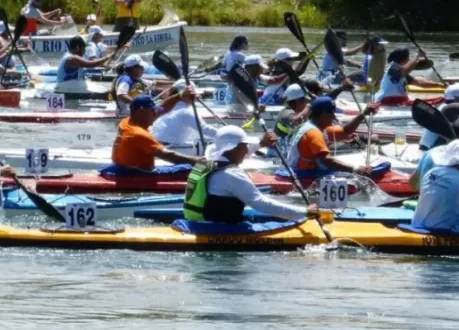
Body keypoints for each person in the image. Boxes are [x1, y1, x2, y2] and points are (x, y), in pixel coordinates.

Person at [183, 125, 329, 224]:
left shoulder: (207, 160)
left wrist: (262, 142)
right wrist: (303, 212)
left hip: (197, 221)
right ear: (233, 148)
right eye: (244, 146)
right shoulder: (232, 175)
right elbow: (261, 203)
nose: (247, 150)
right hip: (218, 228)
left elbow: (239, 154)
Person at [110, 94, 204, 171]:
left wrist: (180, 95)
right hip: (140, 173)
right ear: (142, 111)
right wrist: (198, 160)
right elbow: (168, 155)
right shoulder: (139, 134)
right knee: (192, 169)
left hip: (121, 168)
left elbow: (163, 109)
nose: (156, 114)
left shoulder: (126, 122)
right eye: (152, 110)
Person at [287, 96, 375, 177]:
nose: (334, 117)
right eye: (332, 113)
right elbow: (327, 161)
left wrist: (363, 114)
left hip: (309, 172)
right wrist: (356, 169)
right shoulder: (313, 133)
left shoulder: (319, 127)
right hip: (303, 176)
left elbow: (346, 131)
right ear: (324, 114)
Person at [151, 79, 219, 147]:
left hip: (155, 143)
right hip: (168, 147)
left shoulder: (166, 106)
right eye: (195, 94)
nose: (197, 97)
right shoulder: (185, 112)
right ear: (188, 95)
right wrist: (226, 134)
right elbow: (205, 129)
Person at [374, 47, 441, 104]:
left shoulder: (402, 75)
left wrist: (440, 84)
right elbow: (406, 69)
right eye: (408, 58)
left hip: (396, 101)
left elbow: (419, 82)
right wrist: (417, 55)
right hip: (386, 101)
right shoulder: (393, 68)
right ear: (404, 60)